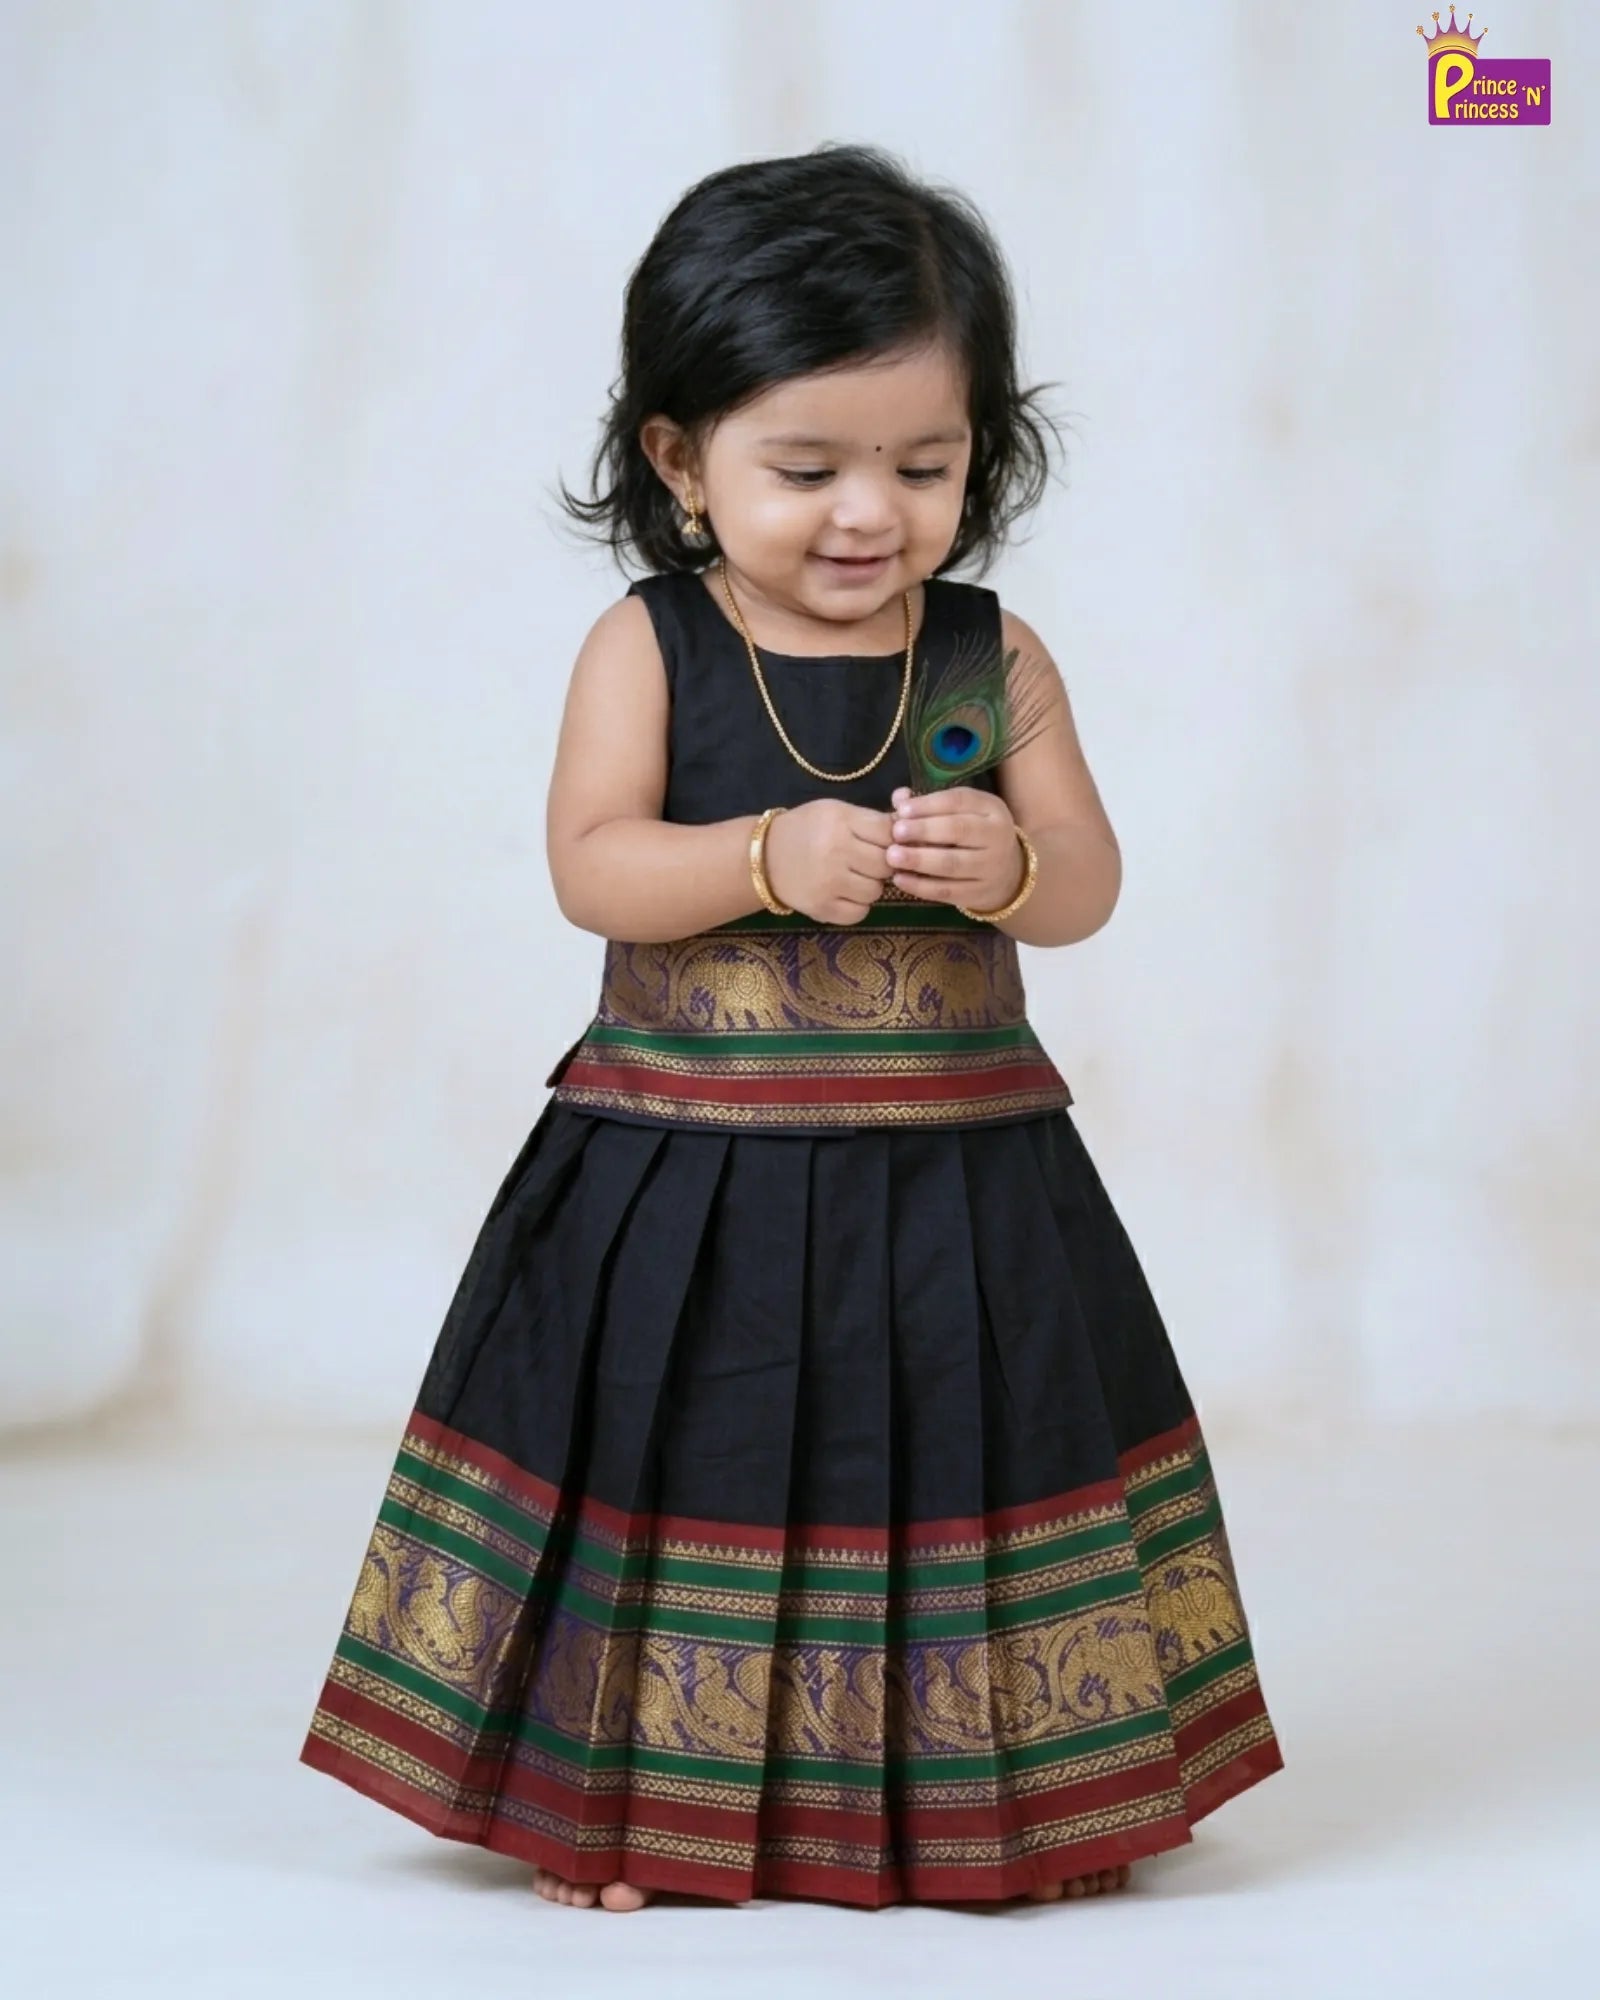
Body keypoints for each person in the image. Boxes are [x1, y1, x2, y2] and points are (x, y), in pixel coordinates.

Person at [299, 141, 1284, 1915]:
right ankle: (629, 1814)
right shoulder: (650, 649)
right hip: (695, 1174)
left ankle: (1016, 1804)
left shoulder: (989, 659)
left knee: (960, 1461)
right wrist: (759, 851)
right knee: (697, 1463)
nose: (871, 513)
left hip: (960, 1180)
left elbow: (1090, 882)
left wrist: (1003, 863)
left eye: (925, 463)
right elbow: (591, 867)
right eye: (806, 466)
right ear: (680, 462)